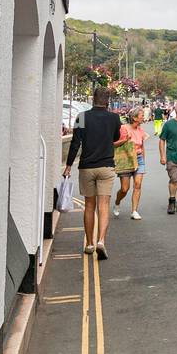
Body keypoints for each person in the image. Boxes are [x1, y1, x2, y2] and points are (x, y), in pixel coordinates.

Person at [63, 87, 122, 260]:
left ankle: (89, 243)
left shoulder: (82, 117)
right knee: (104, 206)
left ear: (92, 99)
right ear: (107, 100)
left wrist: (68, 165)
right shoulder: (114, 118)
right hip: (106, 166)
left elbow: (75, 143)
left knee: (89, 205)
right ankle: (101, 241)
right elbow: (115, 137)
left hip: (87, 167)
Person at [113, 107, 148, 221]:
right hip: (126, 159)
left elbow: (142, 147)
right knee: (124, 189)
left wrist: (143, 161)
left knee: (137, 185)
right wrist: (125, 140)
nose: (143, 117)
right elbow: (113, 144)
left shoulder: (141, 130)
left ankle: (134, 211)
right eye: (141, 115)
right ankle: (117, 202)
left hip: (138, 159)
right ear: (134, 118)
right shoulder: (123, 128)